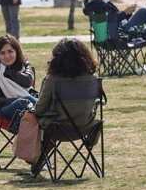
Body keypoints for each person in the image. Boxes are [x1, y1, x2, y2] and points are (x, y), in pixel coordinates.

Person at [30, 38, 100, 173]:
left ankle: (37, 159)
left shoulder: (52, 79)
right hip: (85, 128)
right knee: (55, 120)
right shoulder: (93, 79)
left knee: (44, 119)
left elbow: (40, 109)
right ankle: (39, 161)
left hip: (57, 130)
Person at [0, 35, 37, 122]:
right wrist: (18, 100)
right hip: (4, 109)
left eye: (10, 51)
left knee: (31, 101)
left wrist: (7, 72)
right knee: (26, 101)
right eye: (2, 53)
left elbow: (28, 81)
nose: (7, 56)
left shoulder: (24, 64)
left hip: (30, 108)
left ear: (16, 52)